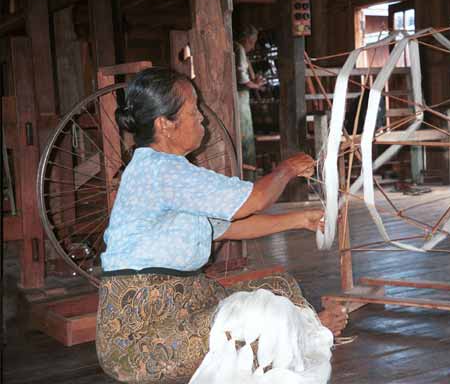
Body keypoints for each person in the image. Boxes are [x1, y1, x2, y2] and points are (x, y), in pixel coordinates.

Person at [95, 67, 347, 383]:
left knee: (277, 287)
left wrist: (300, 219)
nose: (202, 118)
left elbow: (227, 227)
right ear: (165, 124)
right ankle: (312, 332)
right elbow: (253, 200)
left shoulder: (167, 171)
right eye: (193, 110)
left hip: (190, 305)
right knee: (260, 321)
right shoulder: (160, 171)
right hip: (141, 337)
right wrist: (286, 169)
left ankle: (309, 330)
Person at [234, 24, 265, 181]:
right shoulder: (238, 49)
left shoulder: (237, 49)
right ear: (246, 39)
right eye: (252, 42)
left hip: (241, 97)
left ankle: (247, 174)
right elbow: (242, 78)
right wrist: (256, 85)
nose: (253, 46)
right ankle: (248, 176)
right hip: (239, 98)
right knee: (245, 135)